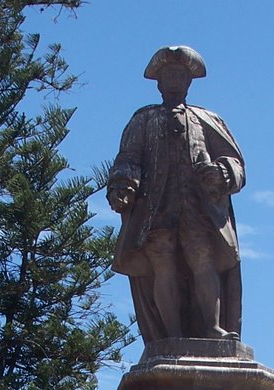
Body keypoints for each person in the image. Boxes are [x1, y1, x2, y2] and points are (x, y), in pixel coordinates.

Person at [106, 45, 245, 344]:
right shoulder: (143, 120)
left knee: (202, 259)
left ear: (189, 81)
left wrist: (221, 173)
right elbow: (128, 158)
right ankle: (172, 336)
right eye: (168, 75)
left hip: (198, 207)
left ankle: (212, 327)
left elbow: (234, 162)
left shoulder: (207, 119)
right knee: (162, 263)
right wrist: (123, 186)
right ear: (158, 82)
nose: (174, 81)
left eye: (180, 75)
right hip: (157, 207)